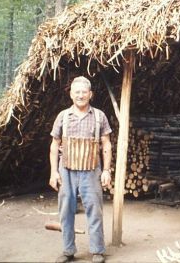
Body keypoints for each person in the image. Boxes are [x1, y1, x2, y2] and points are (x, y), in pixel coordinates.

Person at [49, 76, 112, 263]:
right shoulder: (63, 117)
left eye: (84, 92)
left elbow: (106, 144)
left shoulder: (99, 116)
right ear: (71, 94)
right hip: (66, 170)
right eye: (77, 92)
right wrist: (54, 172)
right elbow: (54, 146)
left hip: (91, 170)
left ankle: (97, 250)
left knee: (94, 209)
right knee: (65, 209)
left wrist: (107, 170)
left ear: (90, 94)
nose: (81, 95)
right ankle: (68, 250)